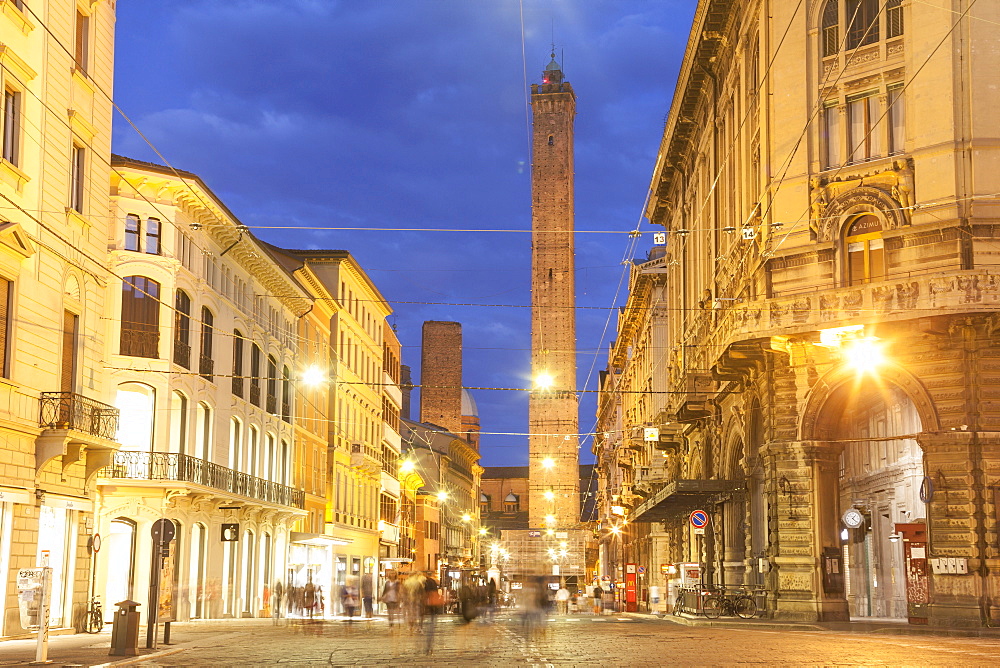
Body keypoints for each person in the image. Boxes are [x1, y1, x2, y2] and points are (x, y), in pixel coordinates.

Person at [422, 573, 442, 654]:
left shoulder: (425, 583)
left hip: (426, 607)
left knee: (428, 626)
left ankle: (427, 645)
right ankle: (429, 645)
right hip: (433, 607)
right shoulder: (434, 583)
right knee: (431, 625)